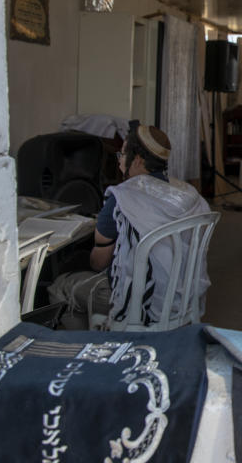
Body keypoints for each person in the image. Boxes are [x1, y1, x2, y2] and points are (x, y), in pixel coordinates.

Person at [48, 122, 212, 329]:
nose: (119, 163)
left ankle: (85, 348)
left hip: (140, 304)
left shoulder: (123, 198)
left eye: (122, 156)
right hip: (184, 296)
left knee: (61, 286)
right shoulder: (188, 193)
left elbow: (98, 263)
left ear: (138, 160)